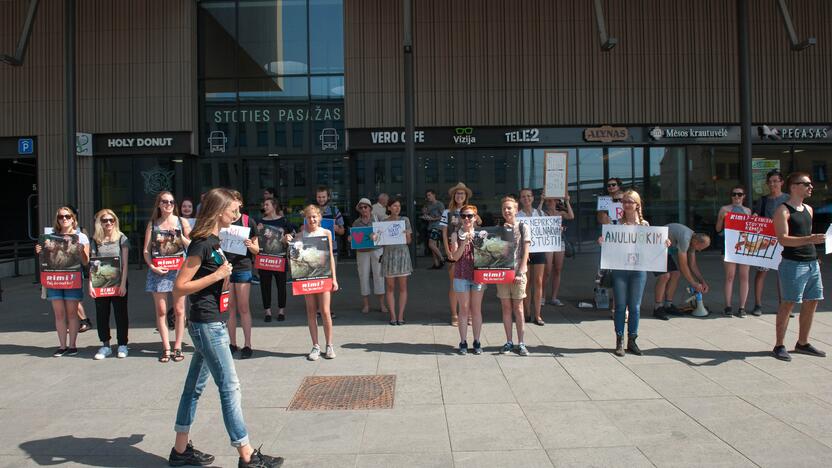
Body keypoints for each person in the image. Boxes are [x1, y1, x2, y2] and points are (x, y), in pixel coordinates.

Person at [169, 188, 282, 468]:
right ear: (219, 212)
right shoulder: (202, 243)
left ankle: (180, 450)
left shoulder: (216, 240)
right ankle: (247, 455)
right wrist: (219, 275)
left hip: (212, 321)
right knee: (230, 387)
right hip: (208, 325)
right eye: (233, 210)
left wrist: (222, 277)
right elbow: (179, 287)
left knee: (193, 388)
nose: (238, 214)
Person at [771, 172, 827, 361]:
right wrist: (810, 239)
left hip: (811, 262)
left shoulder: (809, 209)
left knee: (813, 301)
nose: (811, 187)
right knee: (788, 303)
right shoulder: (783, 211)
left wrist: (814, 251)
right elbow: (783, 239)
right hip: (793, 264)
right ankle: (779, 345)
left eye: (811, 184)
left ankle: (802, 342)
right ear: (794, 187)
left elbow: (806, 235)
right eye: (806, 184)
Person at [598, 190, 657, 356]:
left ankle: (632, 339)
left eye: (630, 201)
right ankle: (619, 340)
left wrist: (663, 243)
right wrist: (602, 241)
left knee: (635, 306)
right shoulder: (616, 224)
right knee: (620, 306)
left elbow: (652, 246)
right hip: (620, 269)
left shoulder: (644, 225)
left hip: (638, 269)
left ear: (637, 204)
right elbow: (609, 244)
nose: (627, 204)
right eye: (625, 201)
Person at [144, 191, 191, 363]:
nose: (168, 205)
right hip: (159, 271)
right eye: (165, 202)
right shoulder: (152, 224)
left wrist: (178, 235)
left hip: (179, 270)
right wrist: (152, 266)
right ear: (159, 204)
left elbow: (192, 245)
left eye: (171, 202)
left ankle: (178, 346)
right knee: (161, 311)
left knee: (179, 310)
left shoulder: (182, 221)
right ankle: (166, 347)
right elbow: (146, 251)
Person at [35, 207, 90, 357]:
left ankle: (72, 345)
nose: (64, 219)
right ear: (57, 219)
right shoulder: (50, 237)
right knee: (59, 314)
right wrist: (40, 251)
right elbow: (45, 259)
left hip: (72, 278)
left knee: (72, 313)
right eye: (61, 217)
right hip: (54, 279)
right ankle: (62, 346)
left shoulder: (81, 237)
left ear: (73, 218)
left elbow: (86, 262)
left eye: (67, 216)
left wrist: (81, 251)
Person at [288, 205, 339, 361]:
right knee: (311, 311)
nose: (312, 219)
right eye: (309, 217)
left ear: (320, 217)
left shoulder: (326, 233)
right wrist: (288, 241)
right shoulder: (299, 235)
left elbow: (330, 256)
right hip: (307, 277)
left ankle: (329, 345)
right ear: (305, 218)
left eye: (315, 216)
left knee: (325, 310)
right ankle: (315, 345)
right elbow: (293, 256)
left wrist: (334, 278)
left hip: (324, 276)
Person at [90, 209, 130, 360]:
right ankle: (105, 345)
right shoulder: (95, 240)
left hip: (119, 281)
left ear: (115, 222)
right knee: (102, 313)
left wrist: (123, 284)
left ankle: (122, 344)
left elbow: (125, 264)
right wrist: (90, 285)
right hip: (100, 282)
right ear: (99, 222)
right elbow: (93, 263)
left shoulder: (121, 238)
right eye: (104, 220)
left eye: (111, 220)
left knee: (121, 313)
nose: (108, 223)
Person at [225, 191, 260, 359]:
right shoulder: (223, 220)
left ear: (240, 202)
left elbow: (256, 249)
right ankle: (232, 343)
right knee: (230, 307)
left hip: (243, 266)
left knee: (243, 307)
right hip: (225, 267)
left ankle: (247, 344)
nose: (231, 203)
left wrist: (249, 245)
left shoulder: (248, 221)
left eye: (234, 200)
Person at [497, 196, 532, 356]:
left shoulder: (524, 226)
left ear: (516, 210)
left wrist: (521, 271)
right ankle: (509, 341)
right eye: (504, 208)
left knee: (518, 308)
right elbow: (500, 252)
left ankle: (521, 342)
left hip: (518, 272)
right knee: (505, 307)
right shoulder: (500, 229)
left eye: (509, 208)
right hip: (503, 272)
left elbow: (526, 250)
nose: (507, 211)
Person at [449, 204, 486, 354]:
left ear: (475, 218)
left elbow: (487, 256)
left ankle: (477, 341)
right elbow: (454, 257)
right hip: (461, 275)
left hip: (477, 275)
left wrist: (477, 242)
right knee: (463, 310)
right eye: (463, 215)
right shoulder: (455, 235)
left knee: (476, 310)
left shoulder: (482, 233)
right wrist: (464, 242)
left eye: (470, 216)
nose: (466, 218)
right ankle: (463, 342)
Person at [653, 224, 711, 320]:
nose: (700, 250)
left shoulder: (693, 240)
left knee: (676, 274)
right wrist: (693, 283)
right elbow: (683, 265)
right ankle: (657, 307)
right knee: (665, 276)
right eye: (701, 247)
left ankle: (668, 305)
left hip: (663, 248)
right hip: (654, 246)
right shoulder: (685, 239)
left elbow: (692, 265)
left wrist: (702, 281)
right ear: (696, 242)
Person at [751, 170, 789, 315]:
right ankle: (758, 305)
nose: (773, 184)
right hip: (766, 242)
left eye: (775, 181)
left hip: (784, 241)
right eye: (770, 181)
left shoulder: (788, 199)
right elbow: (756, 217)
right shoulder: (763, 200)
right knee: (761, 273)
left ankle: (783, 305)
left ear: (781, 182)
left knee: (783, 274)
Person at [440, 182, 477, 326]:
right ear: (454, 196)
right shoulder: (447, 212)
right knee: (454, 284)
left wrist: (476, 218)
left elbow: (478, 225)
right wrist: (447, 250)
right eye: (457, 193)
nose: (459, 196)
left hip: (469, 251)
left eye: (462, 193)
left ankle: (467, 313)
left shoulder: (470, 210)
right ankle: (454, 314)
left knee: (469, 282)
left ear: (466, 196)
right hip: (453, 248)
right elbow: (444, 233)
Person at [716, 185, 752, 317]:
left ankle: (742, 307)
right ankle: (728, 306)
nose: (736, 197)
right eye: (734, 194)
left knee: (744, 276)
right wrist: (722, 218)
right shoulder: (724, 209)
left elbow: (751, 230)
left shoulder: (747, 211)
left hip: (744, 245)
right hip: (729, 245)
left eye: (739, 194)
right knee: (730, 276)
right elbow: (718, 229)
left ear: (744, 196)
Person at [258, 198, 295, 322]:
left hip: (280, 257)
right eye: (264, 204)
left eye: (267, 204)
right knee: (265, 285)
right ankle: (267, 311)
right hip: (265, 258)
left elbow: (294, 232)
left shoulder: (283, 220)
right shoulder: (260, 221)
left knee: (281, 285)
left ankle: (281, 311)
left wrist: (288, 237)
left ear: (274, 206)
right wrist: (258, 231)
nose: (265, 206)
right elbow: (254, 237)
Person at [377, 197, 413, 325]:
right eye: (394, 206)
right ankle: (392, 316)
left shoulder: (405, 220)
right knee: (390, 287)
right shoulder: (383, 222)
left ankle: (401, 316)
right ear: (389, 208)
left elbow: (408, 241)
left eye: (398, 206)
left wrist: (407, 234)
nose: (397, 208)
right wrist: (375, 237)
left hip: (402, 255)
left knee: (403, 287)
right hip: (389, 255)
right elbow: (380, 243)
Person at [352, 198, 387, 314]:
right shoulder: (356, 223)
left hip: (377, 250)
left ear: (370, 208)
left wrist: (378, 235)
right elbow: (354, 238)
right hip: (362, 252)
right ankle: (366, 305)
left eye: (365, 207)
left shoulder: (378, 219)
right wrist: (350, 239)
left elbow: (385, 232)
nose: (363, 209)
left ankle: (382, 304)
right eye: (361, 208)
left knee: (379, 275)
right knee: (363, 276)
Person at [517, 189, 546, 325]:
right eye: (523, 196)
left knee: (539, 281)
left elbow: (548, 229)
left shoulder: (540, 213)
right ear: (520, 199)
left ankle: (538, 314)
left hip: (539, 249)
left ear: (533, 198)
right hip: (524, 251)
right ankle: (527, 312)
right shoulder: (517, 216)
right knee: (526, 282)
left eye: (528, 196)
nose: (526, 198)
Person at [541, 196, 574, 306]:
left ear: (556, 201)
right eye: (547, 201)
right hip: (548, 242)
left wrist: (567, 201)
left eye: (551, 200)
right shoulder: (543, 213)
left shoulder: (560, 213)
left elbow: (571, 216)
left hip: (559, 241)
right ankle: (543, 296)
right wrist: (541, 200)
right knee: (547, 271)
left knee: (558, 269)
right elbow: (534, 216)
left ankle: (554, 297)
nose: (548, 203)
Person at [421, 190, 445, 269]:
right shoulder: (428, 205)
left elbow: (443, 216)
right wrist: (425, 215)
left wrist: (433, 219)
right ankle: (436, 264)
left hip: (437, 227)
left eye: (429, 195)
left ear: (434, 195)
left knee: (431, 244)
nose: (428, 197)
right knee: (433, 246)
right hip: (430, 226)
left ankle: (442, 259)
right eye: (427, 196)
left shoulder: (439, 204)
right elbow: (425, 214)